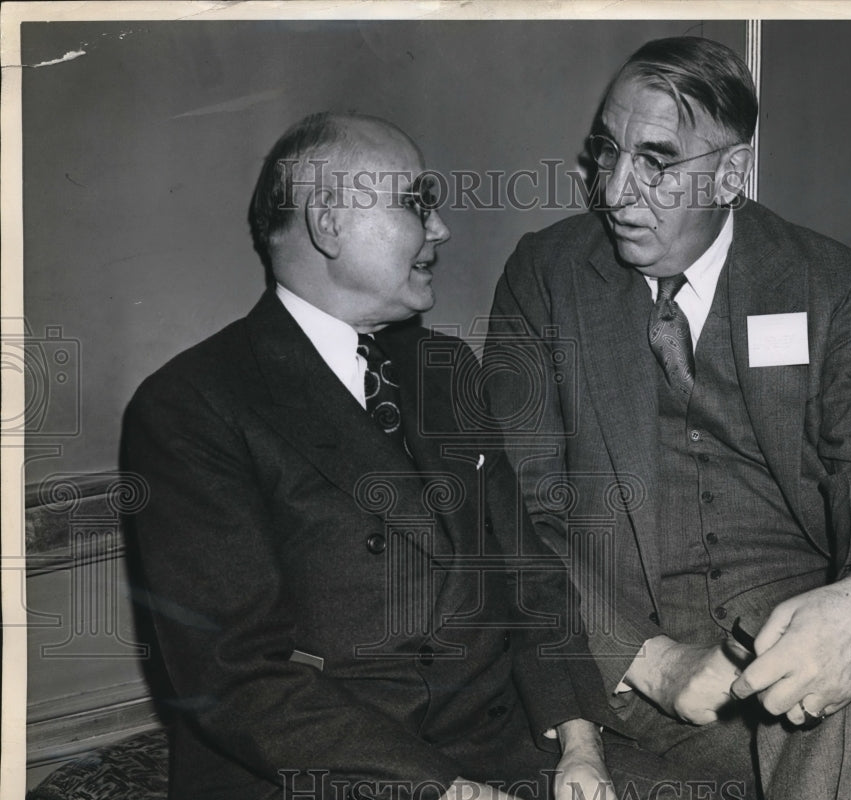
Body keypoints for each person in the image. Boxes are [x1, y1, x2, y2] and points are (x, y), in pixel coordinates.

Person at [485, 37, 851, 800]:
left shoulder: (827, 280)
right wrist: (653, 661)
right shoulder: (548, 276)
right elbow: (524, 514)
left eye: (655, 161)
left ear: (731, 173)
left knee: (845, 672)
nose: (616, 191)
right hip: (637, 657)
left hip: (819, 614)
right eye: (606, 153)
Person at [123, 112, 622, 800]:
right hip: (330, 776)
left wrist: (579, 743)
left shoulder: (445, 368)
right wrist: (444, 789)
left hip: (499, 749)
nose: (440, 229)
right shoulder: (193, 404)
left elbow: (528, 578)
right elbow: (235, 676)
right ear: (328, 223)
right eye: (417, 203)